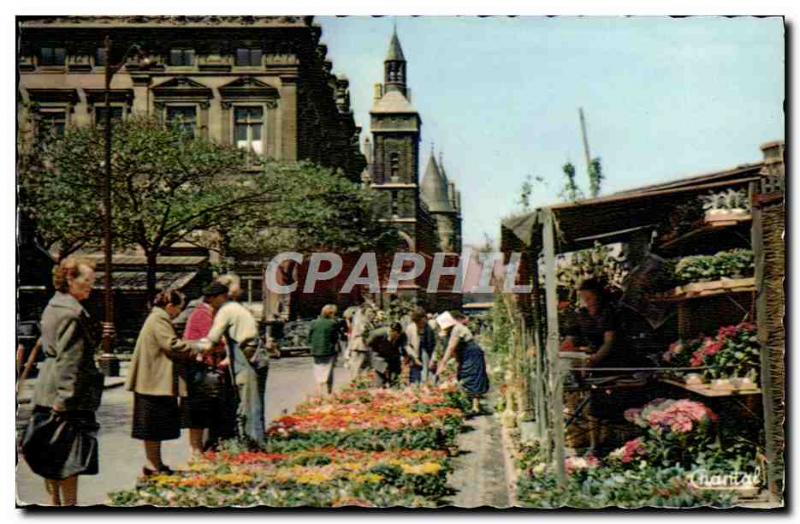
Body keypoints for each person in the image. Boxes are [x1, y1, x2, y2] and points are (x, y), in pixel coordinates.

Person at [24, 257, 103, 506]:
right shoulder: (73, 313)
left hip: (45, 390)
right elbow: (71, 360)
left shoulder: (54, 306)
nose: (91, 286)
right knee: (69, 458)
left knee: (50, 454)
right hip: (66, 397)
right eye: (86, 281)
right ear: (70, 279)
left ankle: (54, 504)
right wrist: (65, 399)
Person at [127, 290, 203, 476]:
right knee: (152, 427)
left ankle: (156, 464)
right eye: (178, 308)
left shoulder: (156, 318)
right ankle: (153, 465)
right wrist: (197, 346)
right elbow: (171, 344)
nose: (179, 313)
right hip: (153, 383)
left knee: (154, 427)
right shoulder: (159, 319)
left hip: (152, 381)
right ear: (169, 306)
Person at [198, 274, 265, 444]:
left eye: (211, 298)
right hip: (250, 354)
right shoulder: (236, 307)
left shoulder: (226, 310)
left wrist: (194, 349)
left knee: (249, 402)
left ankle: (254, 444)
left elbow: (212, 339)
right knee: (253, 401)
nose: (209, 302)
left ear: (221, 297)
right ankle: (254, 439)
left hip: (247, 355)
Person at [180, 282, 229, 454]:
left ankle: (204, 447)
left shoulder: (211, 313)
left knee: (207, 411)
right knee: (198, 412)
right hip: (200, 369)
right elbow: (213, 341)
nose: (225, 300)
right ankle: (196, 449)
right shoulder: (201, 314)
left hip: (209, 367)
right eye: (223, 297)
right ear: (213, 298)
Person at [433, 311, 490, 414]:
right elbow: (453, 350)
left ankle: (475, 406)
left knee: (473, 376)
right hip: (464, 354)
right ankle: (469, 405)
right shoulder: (450, 331)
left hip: (472, 354)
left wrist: (443, 363)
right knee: (463, 375)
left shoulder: (457, 328)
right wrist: (456, 361)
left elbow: (451, 347)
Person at [560, 278, 620, 368]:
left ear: (599, 297)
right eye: (583, 299)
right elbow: (570, 338)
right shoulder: (582, 314)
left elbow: (609, 342)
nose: (586, 303)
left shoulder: (609, 313)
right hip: (591, 355)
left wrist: (593, 360)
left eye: (589, 299)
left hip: (612, 361)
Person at [307, 304, 340, 397]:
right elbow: (335, 338)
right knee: (328, 370)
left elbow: (309, 337)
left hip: (316, 350)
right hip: (328, 350)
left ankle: (319, 391)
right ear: (331, 313)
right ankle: (329, 391)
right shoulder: (332, 323)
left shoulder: (314, 322)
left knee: (318, 370)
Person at [365, 322, 406, 388]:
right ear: (391, 331)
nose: (396, 338)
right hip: (379, 355)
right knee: (380, 381)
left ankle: (394, 390)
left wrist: (406, 357)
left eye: (398, 336)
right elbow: (369, 346)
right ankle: (379, 389)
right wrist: (372, 361)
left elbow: (405, 347)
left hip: (393, 356)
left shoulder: (402, 334)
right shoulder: (377, 334)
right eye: (394, 336)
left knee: (395, 379)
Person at [405, 309, 436, 385]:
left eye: (422, 321)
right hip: (415, 356)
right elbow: (406, 345)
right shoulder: (410, 328)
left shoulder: (431, 328)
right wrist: (414, 358)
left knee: (429, 379)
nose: (421, 324)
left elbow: (435, 346)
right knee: (415, 380)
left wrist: (433, 359)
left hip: (428, 355)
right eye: (418, 322)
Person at [347, 299, 376, 380]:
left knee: (366, 366)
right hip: (359, 345)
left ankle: (362, 381)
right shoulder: (361, 321)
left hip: (365, 345)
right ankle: (355, 382)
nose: (370, 313)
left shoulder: (368, 321)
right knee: (357, 365)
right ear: (364, 311)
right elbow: (360, 332)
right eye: (369, 311)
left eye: (371, 311)